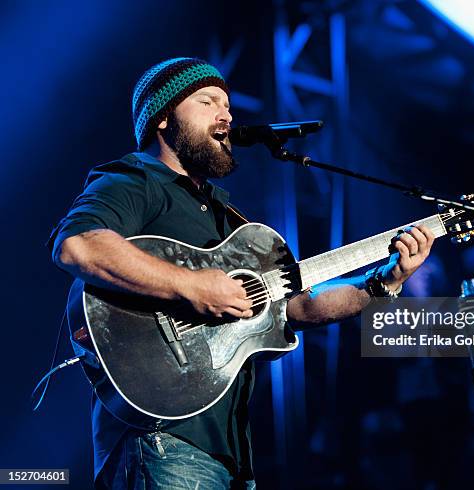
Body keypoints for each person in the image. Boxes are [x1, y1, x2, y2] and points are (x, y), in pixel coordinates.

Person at [47, 57, 435, 489]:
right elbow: (78, 245)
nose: (227, 115)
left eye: (228, 105)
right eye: (208, 101)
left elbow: (296, 308)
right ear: (162, 119)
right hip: (161, 440)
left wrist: (382, 282)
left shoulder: (228, 220)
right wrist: (192, 287)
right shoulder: (136, 180)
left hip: (229, 453)